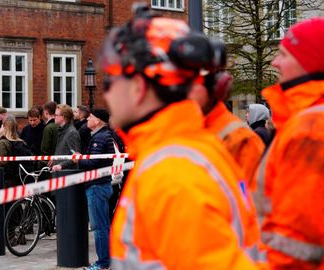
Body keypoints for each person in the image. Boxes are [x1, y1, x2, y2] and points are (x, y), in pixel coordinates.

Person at [100, 4, 259, 269]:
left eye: (111, 78)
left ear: (139, 87)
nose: (107, 92)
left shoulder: (172, 175)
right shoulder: (188, 150)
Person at [254, 17, 324, 269]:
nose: (275, 62)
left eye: (284, 53)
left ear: (308, 62)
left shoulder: (310, 129)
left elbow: (298, 243)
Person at [188, 70, 265, 187]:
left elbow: (249, 197)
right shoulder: (182, 128)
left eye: (192, 84)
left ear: (216, 88)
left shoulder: (240, 138)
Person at [74, 109, 115, 270]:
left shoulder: (100, 138)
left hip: (97, 185)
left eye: (90, 117)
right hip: (101, 184)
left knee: (99, 227)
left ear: (98, 121)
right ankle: (106, 260)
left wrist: (79, 159)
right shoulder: (101, 136)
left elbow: (94, 163)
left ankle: (103, 263)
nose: (87, 120)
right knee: (103, 225)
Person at [50, 104, 81, 172]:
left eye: (56, 115)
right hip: (60, 173)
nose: (53, 117)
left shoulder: (72, 133)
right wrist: (55, 159)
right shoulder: (62, 131)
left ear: (63, 117)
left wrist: (61, 165)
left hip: (67, 174)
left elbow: (75, 157)